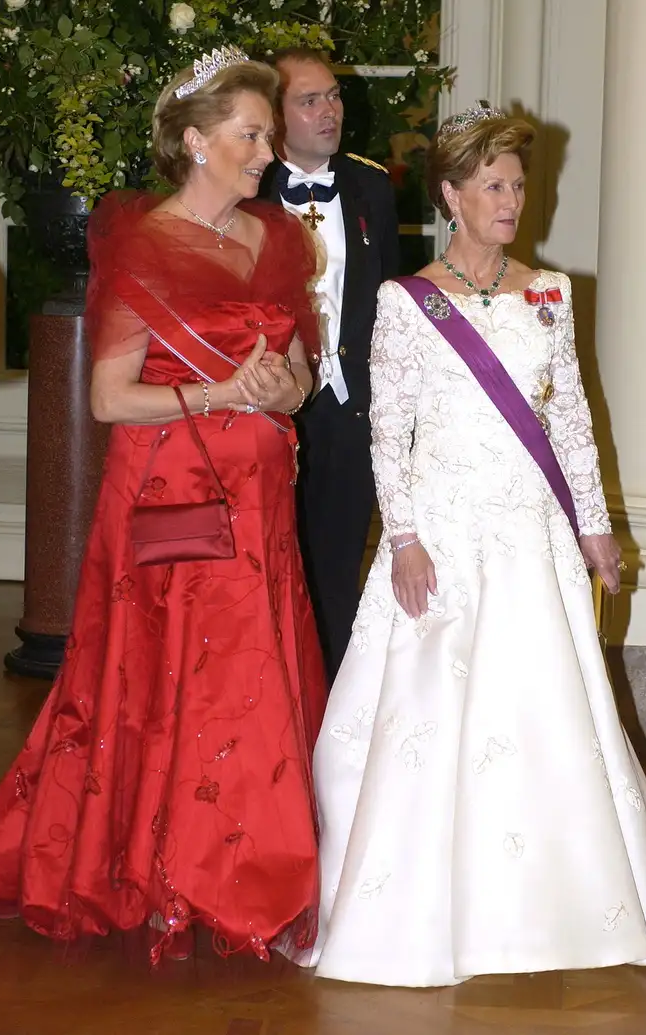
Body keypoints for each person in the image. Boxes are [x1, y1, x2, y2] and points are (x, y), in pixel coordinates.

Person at [295, 104, 646, 986]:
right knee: (433, 712)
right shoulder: (405, 303)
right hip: (443, 535)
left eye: (518, 185)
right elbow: (390, 434)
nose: (512, 201)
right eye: (493, 185)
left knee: (545, 708)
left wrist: (594, 527)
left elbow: (572, 421)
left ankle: (560, 902)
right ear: (451, 195)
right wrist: (403, 538)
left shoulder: (550, 293)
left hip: (532, 535)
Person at [0, 46, 327, 965]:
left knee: (251, 679)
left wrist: (283, 388)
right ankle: (175, 870)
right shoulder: (144, 244)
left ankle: (250, 865)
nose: (268, 152)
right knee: (177, 678)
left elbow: (299, 376)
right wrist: (222, 393)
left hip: (261, 503)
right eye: (250, 135)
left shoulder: (276, 240)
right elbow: (108, 398)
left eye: (267, 134)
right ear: (195, 141)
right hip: (170, 494)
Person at [258, 48, 401, 684]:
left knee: (340, 573)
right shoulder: (249, 188)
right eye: (309, 100)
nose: (329, 111)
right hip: (267, 409)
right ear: (275, 114)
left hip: (349, 408)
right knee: (271, 568)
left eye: (334, 96)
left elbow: (389, 302)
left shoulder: (373, 187)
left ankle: (335, 715)